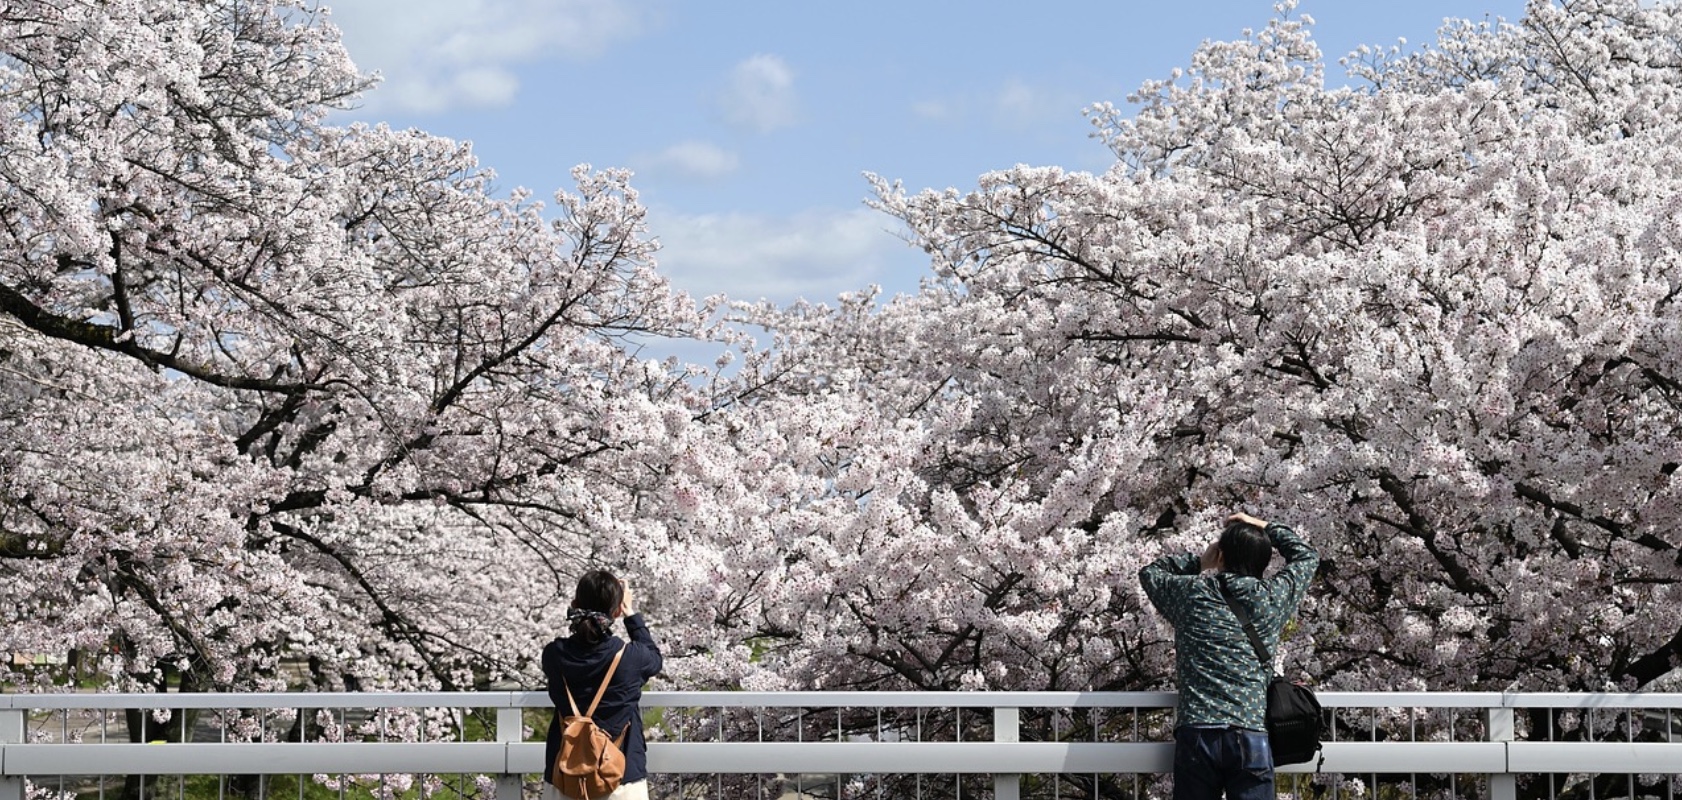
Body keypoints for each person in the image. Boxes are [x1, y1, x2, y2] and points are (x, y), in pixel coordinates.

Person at [1139, 512, 1319, 800]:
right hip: (1249, 731)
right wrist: (1265, 526)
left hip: (1197, 730)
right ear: (1263, 561)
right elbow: (1307, 556)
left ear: (1221, 556)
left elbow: (1151, 573)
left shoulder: (1192, 593)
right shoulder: (1271, 597)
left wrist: (1200, 563)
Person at [543, 569, 663, 800]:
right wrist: (631, 615)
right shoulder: (630, 657)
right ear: (616, 611)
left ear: (574, 604)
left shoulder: (554, 654)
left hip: (564, 778)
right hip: (622, 778)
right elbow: (655, 659)